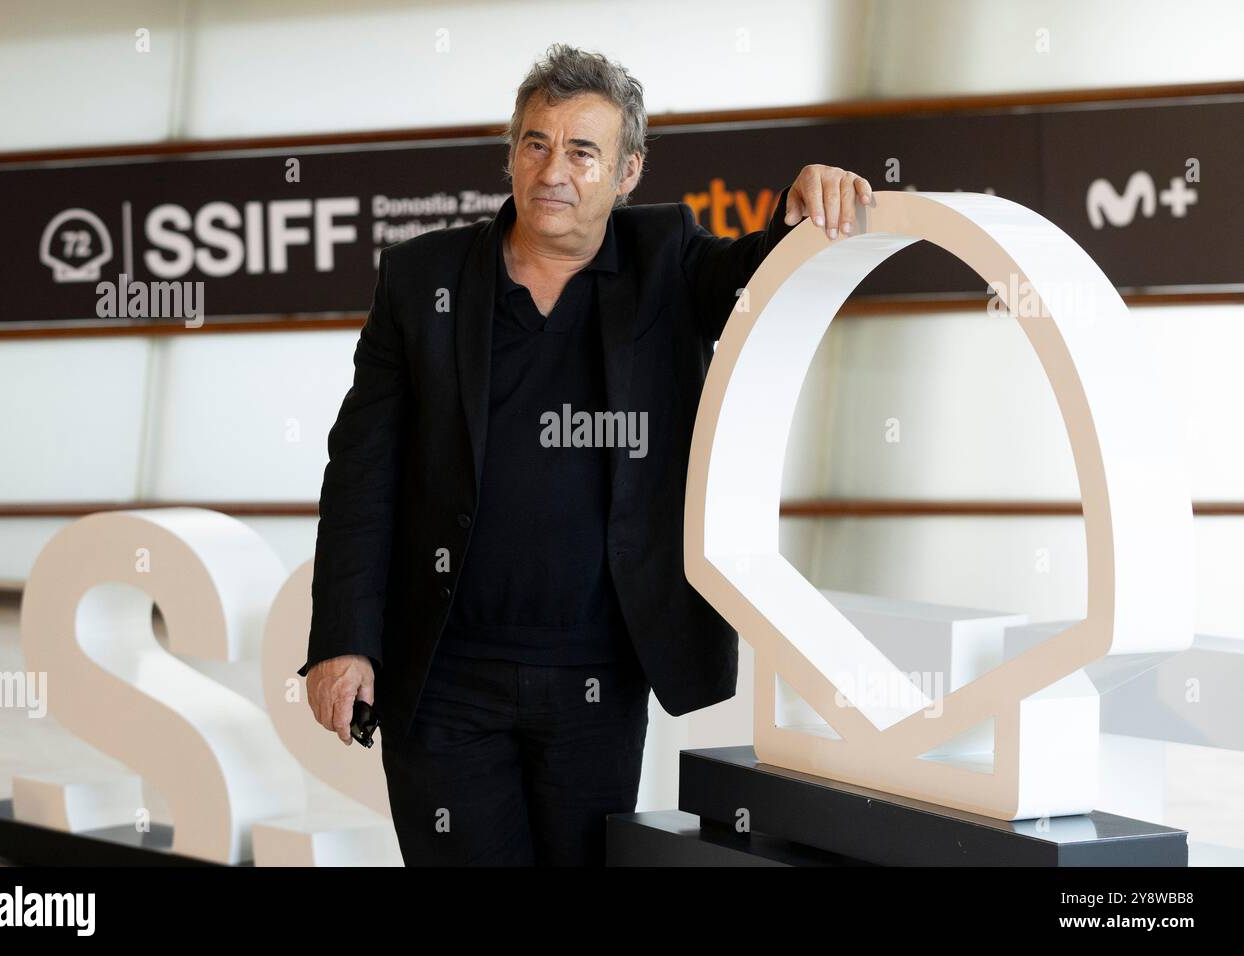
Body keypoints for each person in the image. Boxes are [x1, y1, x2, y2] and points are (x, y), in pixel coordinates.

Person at [298, 42, 873, 865]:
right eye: (535, 143)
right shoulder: (420, 281)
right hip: (444, 676)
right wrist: (342, 640)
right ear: (510, 156)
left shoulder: (666, 258)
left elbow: (758, 271)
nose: (552, 171)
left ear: (628, 171)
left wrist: (801, 202)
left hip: (596, 679)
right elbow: (361, 473)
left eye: (582, 150)